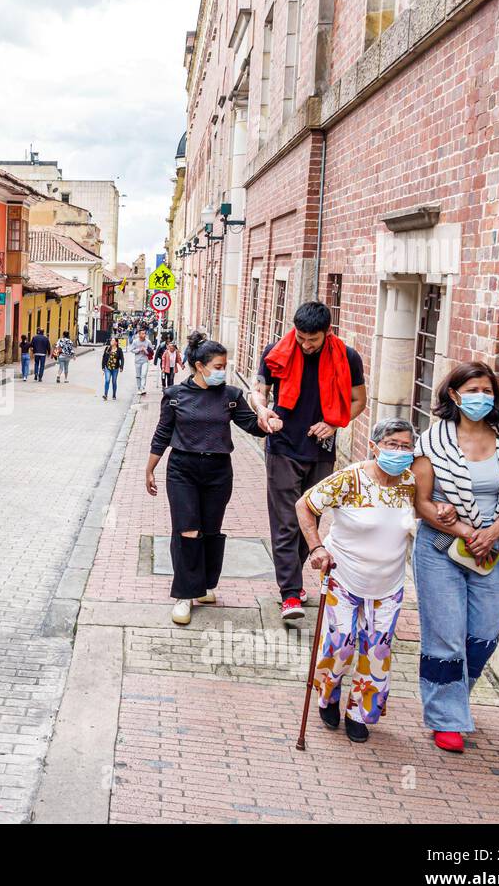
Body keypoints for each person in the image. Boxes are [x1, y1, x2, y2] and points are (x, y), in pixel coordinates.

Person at [410, 362, 499, 755]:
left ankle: (454, 694)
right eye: (472, 389)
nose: (481, 396)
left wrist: (492, 532)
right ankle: (446, 720)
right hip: (442, 548)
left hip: (491, 549)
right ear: (455, 395)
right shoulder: (432, 442)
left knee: (485, 631)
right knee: (446, 632)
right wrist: (464, 531)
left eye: (487, 390)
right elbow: (422, 503)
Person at [295, 417, 418, 743]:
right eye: (392, 444)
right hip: (344, 576)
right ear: (374, 447)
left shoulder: (411, 482)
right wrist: (316, 547)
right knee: (341, 643)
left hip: (388, 583)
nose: (400, 451)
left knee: (377, 649)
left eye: (406, 446)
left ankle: (359, 713)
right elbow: (304, 506)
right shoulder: (349, 479)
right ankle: (329, 693)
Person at [249, 301, 367, 621]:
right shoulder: (278, 351)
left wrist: (334, 423)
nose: (304, 344)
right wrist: (263, 410)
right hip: (282, 444)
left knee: (309, 522)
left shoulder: (347, 357)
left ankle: (294, 580)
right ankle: (290, 593)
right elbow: (258, 391)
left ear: (327, 332)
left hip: (321, 448)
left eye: (311, 339)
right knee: (286, 521)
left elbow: (359, 400)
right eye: (300, 337)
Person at [145, 332, 273, 625]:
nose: (222, 371)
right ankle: (184, 595)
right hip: (182, 469)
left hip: (218, 470)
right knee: (187, 529)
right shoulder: (176, 396)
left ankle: (203, 586)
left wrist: (269, 422)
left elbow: (250, 424)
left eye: (224, 366)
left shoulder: (230, 396)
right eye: (217, 366)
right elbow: (163, 432)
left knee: (211, 531)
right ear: (200, 366)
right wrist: (150, 468)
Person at [129, 327, 154, 397]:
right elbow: (131, 350)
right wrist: (139, 350)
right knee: (138, 376)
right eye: (142, 334)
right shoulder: (135, 341)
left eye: (145, 333)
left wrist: (145, 350)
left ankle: (143, 388)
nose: (144, 335)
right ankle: (139, 388)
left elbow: (151, 351)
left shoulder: (148, 342)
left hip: (145, 361)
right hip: (137, 361)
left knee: (143, 374)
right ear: (139, 334)